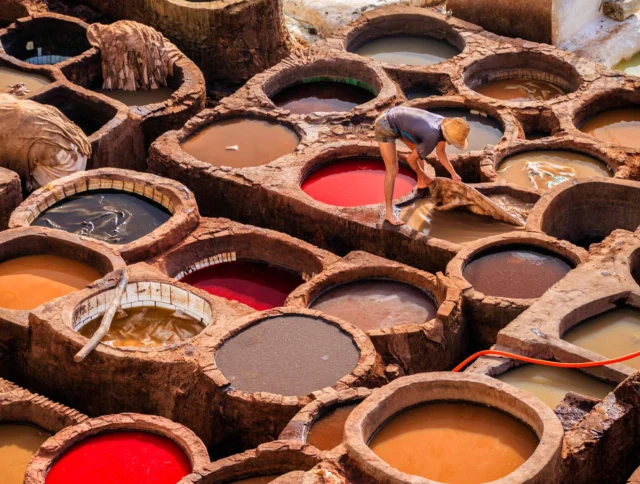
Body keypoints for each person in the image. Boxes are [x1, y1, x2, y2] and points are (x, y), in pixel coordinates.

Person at [374, 106, 470, 225]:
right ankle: (389, 212)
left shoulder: (443, 125)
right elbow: (410, 160)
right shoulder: (432, 137)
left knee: (420, 153)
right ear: (449, 136)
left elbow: (441, 153)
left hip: (399, 118)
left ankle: (421, 183)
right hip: (386, 125)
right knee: (392, 169)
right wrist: (424, 175)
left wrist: (453, 174)